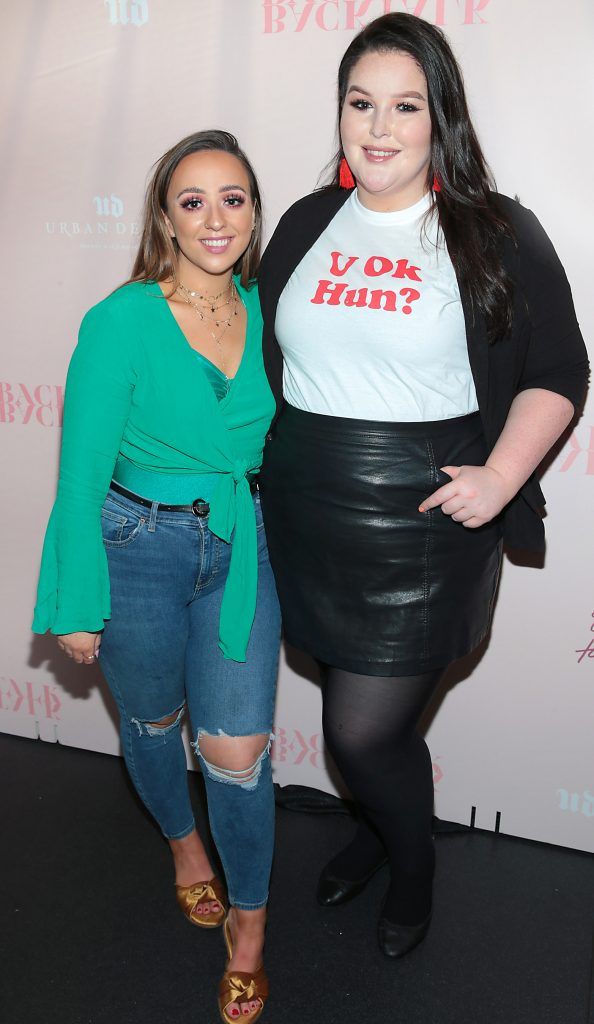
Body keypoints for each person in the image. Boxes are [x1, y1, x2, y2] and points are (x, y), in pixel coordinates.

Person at [258, 13, 588, 960]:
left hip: (423, 518)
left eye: (405, 105)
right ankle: (374, 831)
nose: (378, 126)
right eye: (361, 103)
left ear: (440, 116)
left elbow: (559, 370)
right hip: (309, 504)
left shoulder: (492, 230)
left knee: (362, 735)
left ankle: (413, 866)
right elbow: (266, 356)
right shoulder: (310, 219)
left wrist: (503, 474)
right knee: (343, 711)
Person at [33, 130, 279, 1022]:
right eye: (193, 201)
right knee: (153, 718)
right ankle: (183, 843)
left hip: (238, 545)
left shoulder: (268, 308)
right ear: (165, 219)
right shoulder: (120, 320)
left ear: (254, 212)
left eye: (234, 198)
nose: (215, 219)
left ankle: (249, 930)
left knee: (240, 755)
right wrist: (75, 599)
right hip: (135, 545)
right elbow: (80, 470)